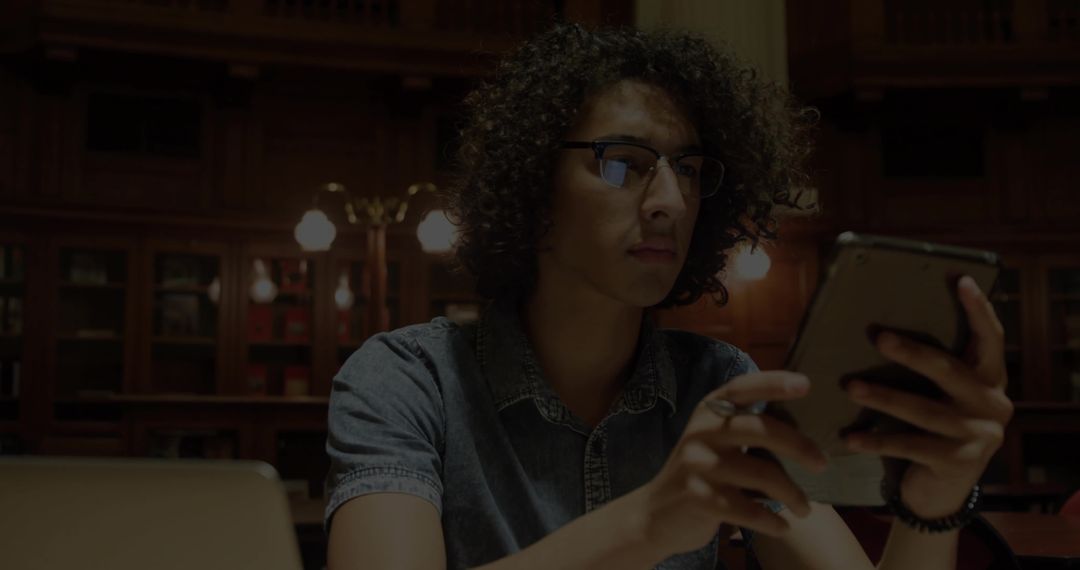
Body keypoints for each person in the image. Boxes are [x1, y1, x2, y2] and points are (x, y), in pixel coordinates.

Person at [324, 23, 1013, 570]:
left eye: (688, 169)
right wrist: (649, 524)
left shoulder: (720, 387)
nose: (670, 200)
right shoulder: (406, 381)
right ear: (534, 189)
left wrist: (934, 504)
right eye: (623, 163)